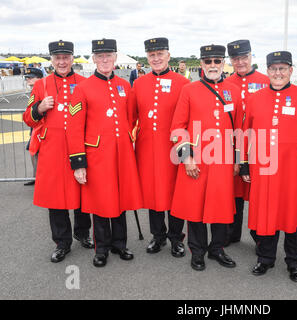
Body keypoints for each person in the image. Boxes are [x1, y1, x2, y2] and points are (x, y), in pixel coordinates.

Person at [240, 51, 297, 283]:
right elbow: (246, 134)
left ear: (290, 70)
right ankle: (265, 258)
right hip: (263, 168)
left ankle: (294, 261)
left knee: (293, 215)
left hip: (294, 168)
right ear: (267, 71)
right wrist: (245, 164)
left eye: (282, 68)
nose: (277, 73)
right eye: (273, 69)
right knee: (266, 214)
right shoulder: (255, 98)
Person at [66, 39, 143, 267]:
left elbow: (130, 119)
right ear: (93, 59)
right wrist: (78, 162)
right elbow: (74, 127)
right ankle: (102, 249)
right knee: (100, 203)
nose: (105, 59)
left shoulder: (124, 85)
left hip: (121, 155)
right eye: (100, 56)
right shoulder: (82, 88)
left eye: (108, 55)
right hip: (97, 157)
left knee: (120, 200)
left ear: (115, 57)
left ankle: (120, 244)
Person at [170, 44, 243, 271]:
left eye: (217, 61)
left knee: (221, 207)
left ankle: (217, 249)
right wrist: (187, 158)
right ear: (201, 64)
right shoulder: (189, 90)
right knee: (195, 208)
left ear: (223, 63)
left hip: (223, 160)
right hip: (197, 160)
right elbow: (177, 127)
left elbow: (239, 128)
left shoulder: (234, 90)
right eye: (208, 61)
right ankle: (198, 251)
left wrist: (238, 160)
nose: (213, 65)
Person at [22, 40, 94, 263]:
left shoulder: (85, 83)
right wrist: (39, 108)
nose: (62, 61)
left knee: (82, 193)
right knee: (56, 199)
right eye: (57, 58)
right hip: (52, 151)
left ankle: (82, 233)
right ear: (51, 60)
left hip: (79, 148)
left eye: (66, 57)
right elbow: (28, 119)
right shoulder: (41, 85)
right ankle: (61, 243)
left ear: (72, 58)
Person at [128, 37, 190, 258]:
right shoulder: (139, 83)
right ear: (147, 57)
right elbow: (130, 117)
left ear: (168, 56)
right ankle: (158, 235)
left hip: (172, 149)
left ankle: (176, 238)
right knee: (152, 194)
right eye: (152, 55)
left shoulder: (183, 83)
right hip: (146, 149)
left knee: (175, 194)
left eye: (160, 54)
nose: (156, 58)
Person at [225, 39, 270, 247]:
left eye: (244, 57)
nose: (240, 62)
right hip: (231, 145)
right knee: (233, 191)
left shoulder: (265, 80)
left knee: (258, 192)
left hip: (257, 145)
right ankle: (231, 232)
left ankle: (259, 233)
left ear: (251, 56)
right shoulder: (225, 84)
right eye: (235, 58)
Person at [23, 67, 44, 186]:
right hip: (34, 127)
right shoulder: (33, 90)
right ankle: (36, 177)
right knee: (33, 152)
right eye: (27, 78)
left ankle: (40, 179)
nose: (28, 80)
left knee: (38, 154)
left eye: (31, 78)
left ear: (39, 78)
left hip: (41, 128)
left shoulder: (43, 89)